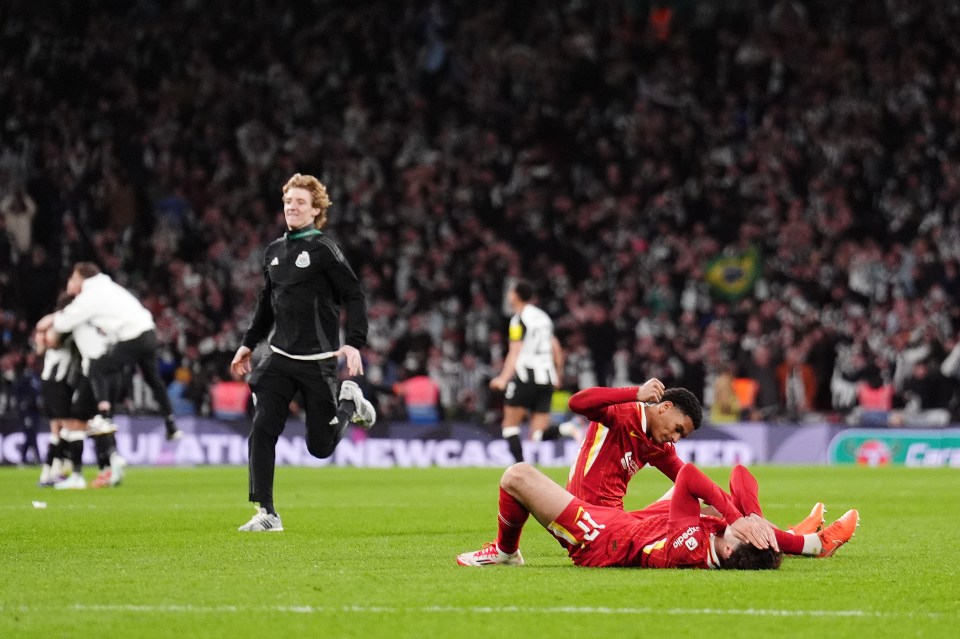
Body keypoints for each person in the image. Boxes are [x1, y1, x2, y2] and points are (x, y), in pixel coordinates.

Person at [230, 173, 376, 533]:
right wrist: (249, 341)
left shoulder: (323, 249)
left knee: (321, 448)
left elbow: (354, 295)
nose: (291, 207)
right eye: (288, 202)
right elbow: (266, 303)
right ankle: (267, 512)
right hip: (279, 355)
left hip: (317, 361)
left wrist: (354, 342)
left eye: (300, 202)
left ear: (315, 210)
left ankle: (349, 403)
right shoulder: (274, 252)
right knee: (262, 428)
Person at [456, 462, 860, 569]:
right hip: (638, 523)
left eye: (740, 533)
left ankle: (506, 551)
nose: (733, 528)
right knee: (713, 501)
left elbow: (687, 476)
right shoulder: (722, 543)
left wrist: (737, 517)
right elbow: (741, 474)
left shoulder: (690, 547)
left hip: (600, 538)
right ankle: (797, 541)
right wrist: (750, 517)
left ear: (733, 547)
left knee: (517, 476)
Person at [39, 262, 182, 441]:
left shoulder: (90, 296)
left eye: (74, 278)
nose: (71, 281)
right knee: (153, 379)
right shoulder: (110, 287)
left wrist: (54, 317)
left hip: (132, 335)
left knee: (96, 366)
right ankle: (171, 424)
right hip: (149, 332)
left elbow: (63, 324)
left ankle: (104, 417)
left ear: (81, 279)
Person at [489, 280, 568, 463]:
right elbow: (555, 347)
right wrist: (557, 374)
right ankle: (566, 429)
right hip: (547, 378)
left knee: (509, 427)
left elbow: (515, 350)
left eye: (510, 292)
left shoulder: (518, 320)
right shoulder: (543, 318)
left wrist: (503, 378)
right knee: (538, 433)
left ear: (515, 296)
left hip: (526, 377)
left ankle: (520, 467)